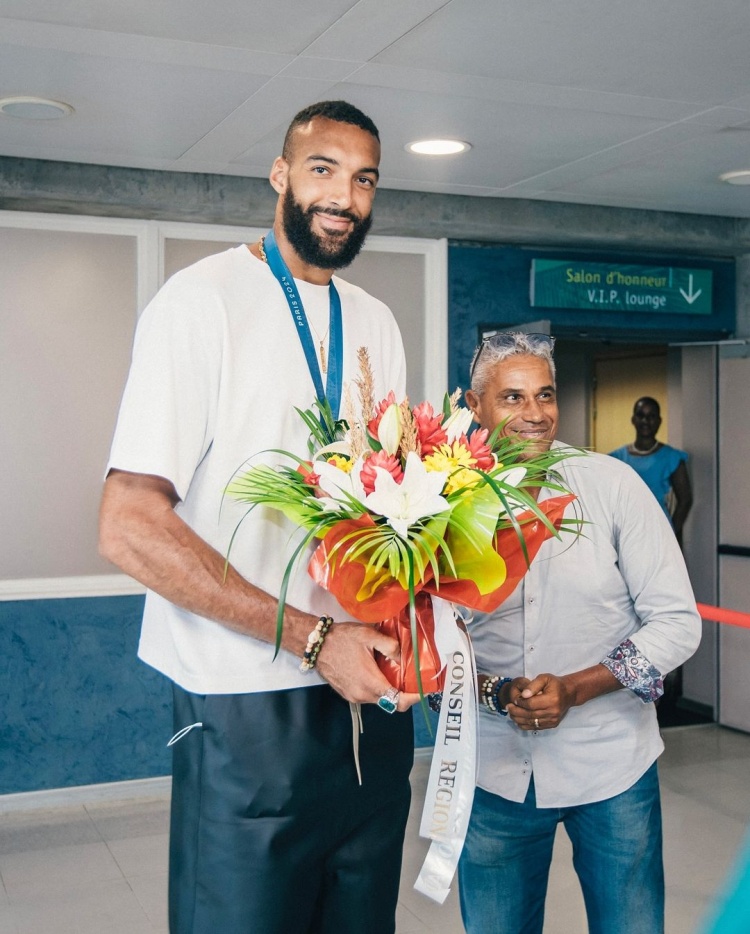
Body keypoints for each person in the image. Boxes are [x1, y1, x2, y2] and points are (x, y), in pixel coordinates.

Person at [99, 100, 418, 934]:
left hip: (364, 700)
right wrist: (314, 638)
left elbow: (384, 512)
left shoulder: (376, 323)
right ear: (279, 176)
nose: (343, 195)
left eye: (363, 179)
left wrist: (416, 634)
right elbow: (128, 524)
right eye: (322, 170)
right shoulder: (199, 301)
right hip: (243, 703)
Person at [456, 332, 702, 934]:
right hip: (492, 769)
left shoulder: (612, 486)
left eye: (545, 395)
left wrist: (578, 687)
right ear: (475, 405)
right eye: (512, 398)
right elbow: (430, 642)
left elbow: (677, 621)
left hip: (612, 767)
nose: (534, 414)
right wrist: (495, 693)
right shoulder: (441, 501)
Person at [609, 396, 693, 545]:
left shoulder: (671, 457)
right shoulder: (617, 457)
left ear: (659, 421)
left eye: (651, 416)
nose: (645, 421)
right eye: (641, 415)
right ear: (633, 419)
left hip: (659, 533)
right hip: (626, 533)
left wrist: (670, 532)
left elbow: (685, 500)